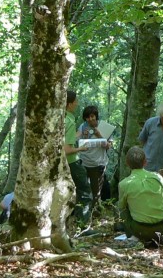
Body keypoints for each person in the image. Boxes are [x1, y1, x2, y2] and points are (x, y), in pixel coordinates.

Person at [117, 147, 163, 248]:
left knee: (121, 206)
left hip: (139, 229)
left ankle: (134, 236)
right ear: (145, 162)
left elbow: (122, 207)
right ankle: (157, 236)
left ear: (127, 163)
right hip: (162, 227)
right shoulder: (158, 177)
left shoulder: (124, 184)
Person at [63, 90, 91, 225]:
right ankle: (82, 225)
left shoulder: (60, 118)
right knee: (85, 192)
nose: (77, 104)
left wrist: (79, 134)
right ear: (69, 104)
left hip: (61, 164)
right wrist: (81, 148)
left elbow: (66, 139)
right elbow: (67, 149)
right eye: (75, 102)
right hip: (72, 162)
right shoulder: (69, 121)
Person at [77, 105, 113, 207]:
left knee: (96, 191)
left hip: (98, 164)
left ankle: (95, 211)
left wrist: (99, 136)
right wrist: (83, 136)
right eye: (87, 117)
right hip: (84, 162)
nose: (90, 119)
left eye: (92, 116)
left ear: (96, 116)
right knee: (83, 189)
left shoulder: (104, 127)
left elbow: (108, 146)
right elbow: (78, 142)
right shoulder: (82, 126)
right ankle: (85, 210)